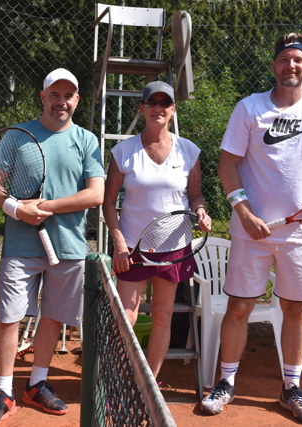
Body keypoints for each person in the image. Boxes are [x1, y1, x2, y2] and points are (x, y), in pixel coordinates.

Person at [199, 33, 302, 423]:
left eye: (298, 60)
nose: (290, 66)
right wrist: (244, 212)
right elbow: (227, 165)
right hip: (250, 231)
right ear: (274, 66)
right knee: (239, 307)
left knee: (295, 310)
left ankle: (291, 388)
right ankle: (226, 382)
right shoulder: (249, 108)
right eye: (284, 59)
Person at [0, 68, 104, 426]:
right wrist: (16, 209)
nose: (61, 101)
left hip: (68, 246)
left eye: (68, 95)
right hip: (20, 246)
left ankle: (36, 384)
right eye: (54, 94)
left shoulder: (86, 140)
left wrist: (46, 206)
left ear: (76, 100)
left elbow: (95, 194)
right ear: (43, 96)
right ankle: (4, 392)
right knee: (9, 316)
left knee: (52, 316)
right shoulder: (17, 135)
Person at [103, 81, 212, 380]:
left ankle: (147, 383)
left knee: (163, 316)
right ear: (142, 108)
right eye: (152, 102)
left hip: (174, 247)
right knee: (125, 319)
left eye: (165, 103)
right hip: (132, 247)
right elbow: (108, 203)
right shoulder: (123, 151)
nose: (158, 108)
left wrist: (201, 212)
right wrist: (119, 243)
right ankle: (118, 381)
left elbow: (196, 196)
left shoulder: (189, 150)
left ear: (173, 109)